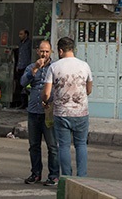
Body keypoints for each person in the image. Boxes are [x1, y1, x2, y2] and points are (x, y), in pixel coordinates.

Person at [43, 36, 93, 180]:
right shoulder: (85, 66)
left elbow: (46, 93)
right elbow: (89, 90)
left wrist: (46, 101)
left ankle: (66, 179)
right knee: (81, 144)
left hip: (62, 113)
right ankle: (82, 178)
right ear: (73, 49)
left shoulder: (54, 67)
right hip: (81, 112)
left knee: (64, 146)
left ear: (60, 51)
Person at [19, 39, 58, 186]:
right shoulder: (31, 66)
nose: (44, 54)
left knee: (52, 146)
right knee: (34, 145)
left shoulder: (55, 67)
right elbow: (22, 82)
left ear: (51, 52)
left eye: (47, 51)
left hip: (48, 112)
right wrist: (34, 69)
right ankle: (35, 173)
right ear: (37, 51)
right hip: (33, 111)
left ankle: (53, 175)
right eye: (42, 51)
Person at [13, 29, 32, 108]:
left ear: (26, 35)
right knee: (19, 84)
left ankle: (25, 103)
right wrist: (17, 65)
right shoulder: (20, 44)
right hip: (20, 66)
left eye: (21, 34)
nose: (19, 36)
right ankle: (20, 102)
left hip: (26, 66)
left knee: (25, 85)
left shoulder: (29, 43)